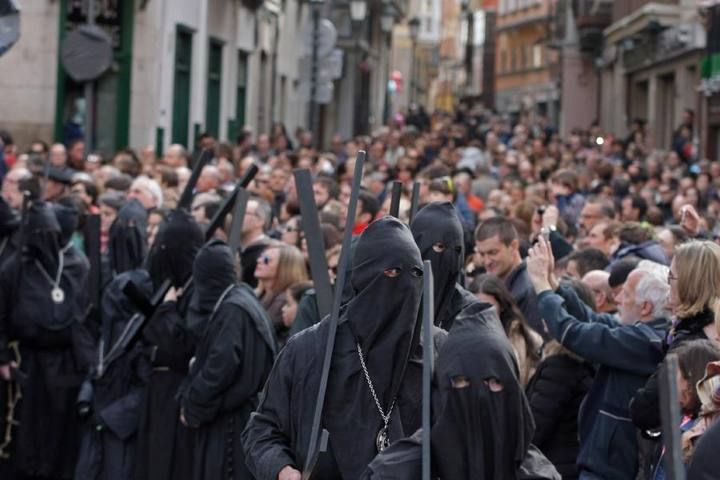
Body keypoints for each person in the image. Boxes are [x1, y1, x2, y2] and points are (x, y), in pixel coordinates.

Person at [242, 217, 426, 480]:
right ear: (364, 277)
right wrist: (282, 470)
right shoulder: (310, 349)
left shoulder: (435, 350)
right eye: (392, 272)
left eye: (415, 273)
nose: (405, 283)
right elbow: (262, 428)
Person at [526, 236, 669, 480]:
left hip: (610, 469)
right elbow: (592, 319)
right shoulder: (639, 333)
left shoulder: (644, 343)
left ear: (645, 307)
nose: (617, 299)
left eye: (625, 293)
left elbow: (575, 333)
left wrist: (542, 288)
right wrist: (554, 284)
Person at [361, 296, 543, 480]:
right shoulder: (396, 472)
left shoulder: (536, 474)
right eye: (462, 381)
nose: (477, 394)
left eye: (493, 381)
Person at [0, 201, 93, 480]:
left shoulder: (78, 264)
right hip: (26, 361)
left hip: (65, 363)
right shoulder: (13, 268)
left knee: (58, 432)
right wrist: (2, 356)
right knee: (25, 431)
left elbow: (87, 315)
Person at [180, 240, 277, 480]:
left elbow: (221, 366)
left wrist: (193, 405)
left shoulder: (233, 309)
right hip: (239, 417)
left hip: (231, 425)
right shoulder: (240, 299)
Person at [135, 210, 205, 480]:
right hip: (156, 388)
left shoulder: (198, 290)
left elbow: (183, 346)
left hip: (177, 390)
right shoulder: (173, 284)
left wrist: (166, 310)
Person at [631, 240, 720, 431]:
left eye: (671, 277)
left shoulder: (690, 341)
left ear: (690, 283)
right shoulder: (699, 328)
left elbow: (646, 409)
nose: (667, 284)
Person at [74, 270, 154, 480]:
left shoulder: (140, 339)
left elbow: (146, 389)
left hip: (120, 435)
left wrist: (110, 418)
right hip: (96, 427)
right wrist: (85, 398)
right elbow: (97, 369)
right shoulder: (109, 334)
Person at [475, 217, 544, 337]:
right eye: (481, 254)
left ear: (513, 246)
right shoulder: (492, 285)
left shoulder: (528, 290)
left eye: (493, 252)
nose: (486, 261)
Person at [474, 273, 542, 386]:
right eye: (476, 307)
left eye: (489, 307)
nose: (482, 313)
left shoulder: (522, 337)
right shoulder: (464, 337)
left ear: (501, 306)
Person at [255, 243, 309, 346]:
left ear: (284, 268)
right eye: (260, 257)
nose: (259, 261)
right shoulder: (259, 294)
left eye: (266, 259)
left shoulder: (286, 301)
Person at [240, 197, 272, 288]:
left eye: (245, 213)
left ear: (260, 221)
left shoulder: (268, 251)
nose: (238, 216)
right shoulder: (235, 248)